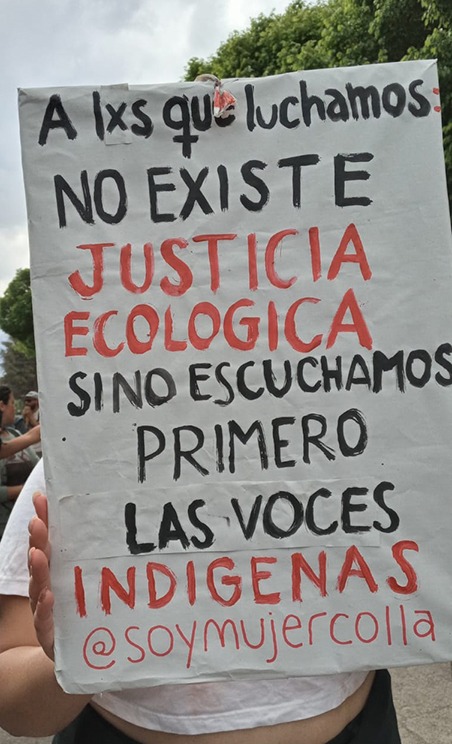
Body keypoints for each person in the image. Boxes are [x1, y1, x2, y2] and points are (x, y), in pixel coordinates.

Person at [0, 458, 401, 744]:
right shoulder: (77, 450)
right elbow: (12, 704)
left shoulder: (361, 434)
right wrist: (76, 658)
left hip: (361, 727)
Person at [0, 384, 40, 538]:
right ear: (2, 405)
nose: (14, 407)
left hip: (27, 523)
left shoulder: (14, 433)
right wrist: (26, 489)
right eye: (12, 403)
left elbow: (37, 464)